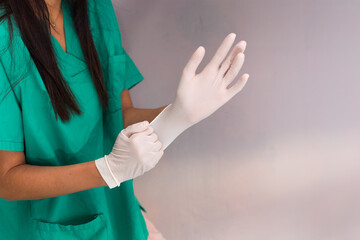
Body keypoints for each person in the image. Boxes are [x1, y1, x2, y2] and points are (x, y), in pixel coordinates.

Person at [0, 0, 248, 239]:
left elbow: (119, 116)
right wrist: (107, 171)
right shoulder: (5, 37)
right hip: (40, 230)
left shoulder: (94, 8)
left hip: (116, 212)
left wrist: (179, 113)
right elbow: (6, 179)